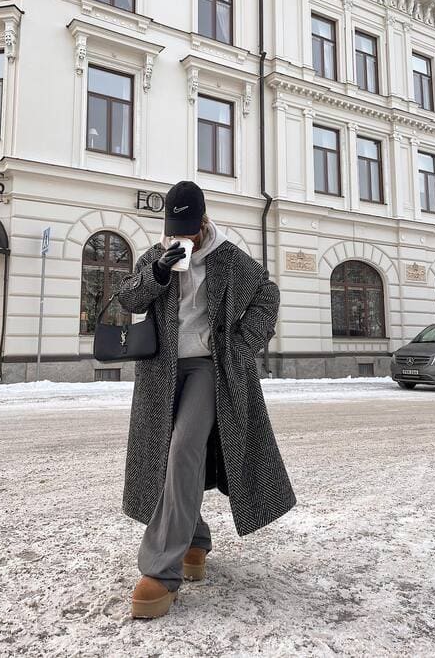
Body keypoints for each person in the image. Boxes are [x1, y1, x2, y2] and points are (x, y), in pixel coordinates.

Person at [117, 180, 297, 619]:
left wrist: (241, 344)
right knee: (165, 454)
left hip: (209, 370)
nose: (183, 236)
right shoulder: (158, 256)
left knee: (183, 449)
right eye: (174, 227)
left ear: (203, 220)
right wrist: (158, 272)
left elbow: (267, 294)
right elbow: (128, 297)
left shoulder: (229, 259)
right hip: (161, 371)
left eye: (189, 228)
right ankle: (194, 539)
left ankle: (161, 569)